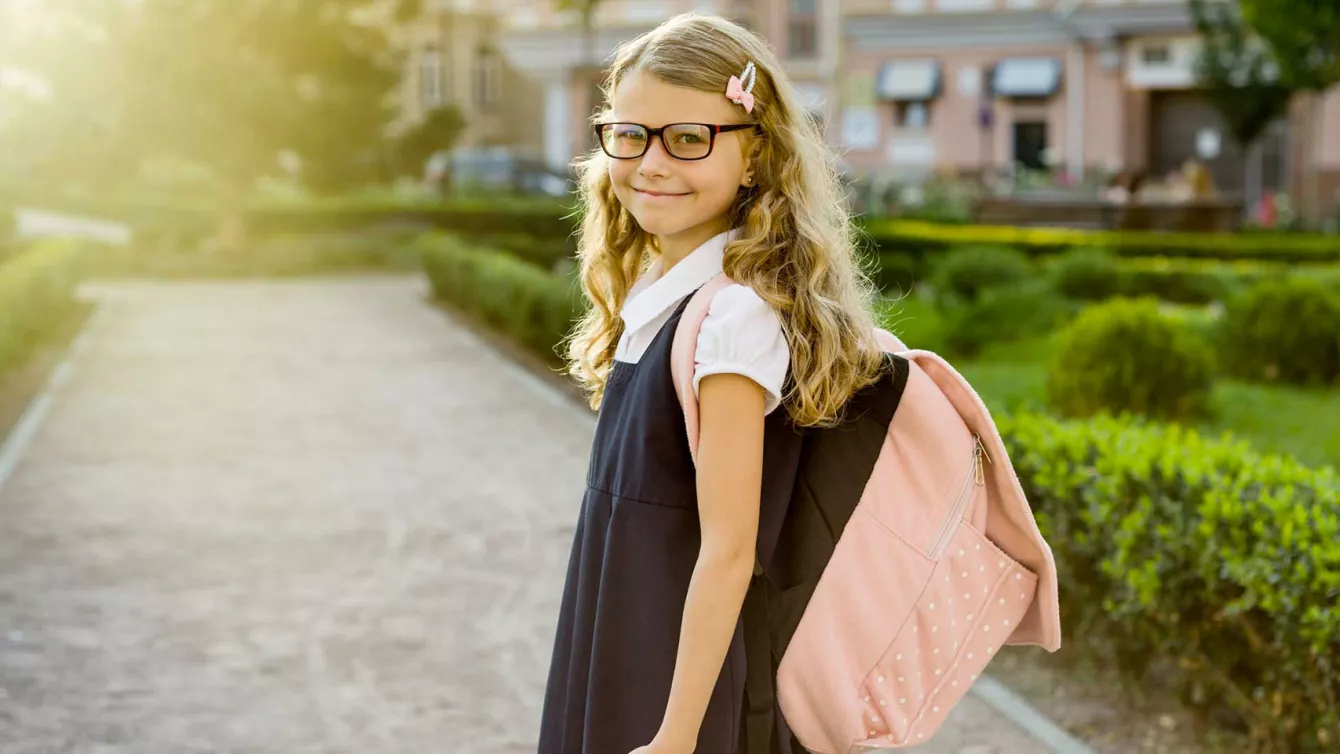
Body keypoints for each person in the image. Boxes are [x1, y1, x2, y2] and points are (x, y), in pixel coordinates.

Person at [538, 12, 889, 754]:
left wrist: (674, 735)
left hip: (677, 673)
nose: (652, 163)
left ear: (756, 155)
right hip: (625, 624)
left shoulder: (733, 318)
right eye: (631, 134)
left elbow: (729, 550)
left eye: (689, 139)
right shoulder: (664, 289)